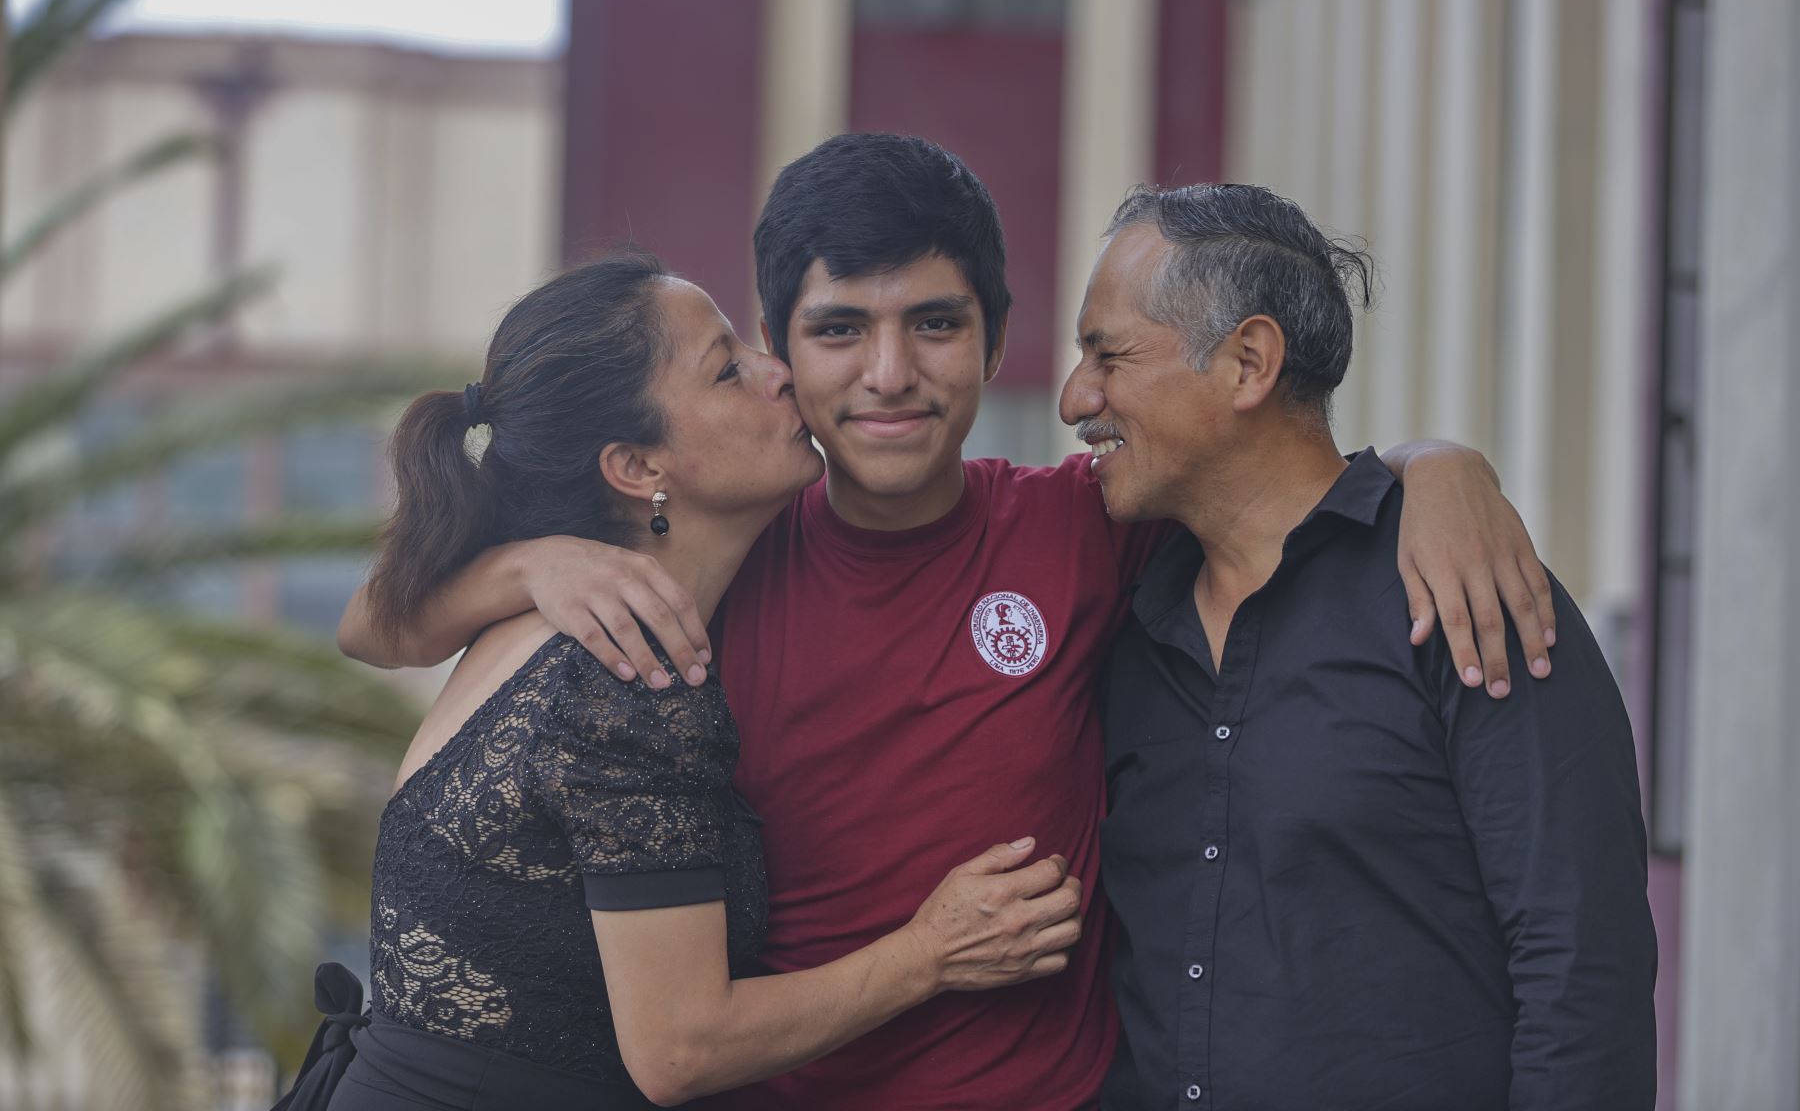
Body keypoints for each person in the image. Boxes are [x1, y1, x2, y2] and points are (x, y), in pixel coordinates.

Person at [337, 135, 1558, 1110]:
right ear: (780, 359)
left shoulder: (1081, 526)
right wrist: (541, 563)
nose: (888, 375)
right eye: (836, 332)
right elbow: (379, 625)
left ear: (995, 342)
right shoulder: (698, 590)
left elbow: (1263, 465)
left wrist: (1438, 466)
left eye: (933, 323)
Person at [278, 250, 1085, 1111]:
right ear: (636, 468)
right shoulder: (626, 676)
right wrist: (932, 952)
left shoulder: (535, 616)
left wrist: (523, 564)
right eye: (728, 368)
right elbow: (681, 1050)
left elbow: (372, 621)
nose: (780, 374)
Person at [1064, 184, 1657, 1110]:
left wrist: (1441, 467)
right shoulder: (1119, 615)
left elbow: (1581, 964)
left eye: (1107, 355)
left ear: (1248, 361)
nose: (1074, 399)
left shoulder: (1460, 592)